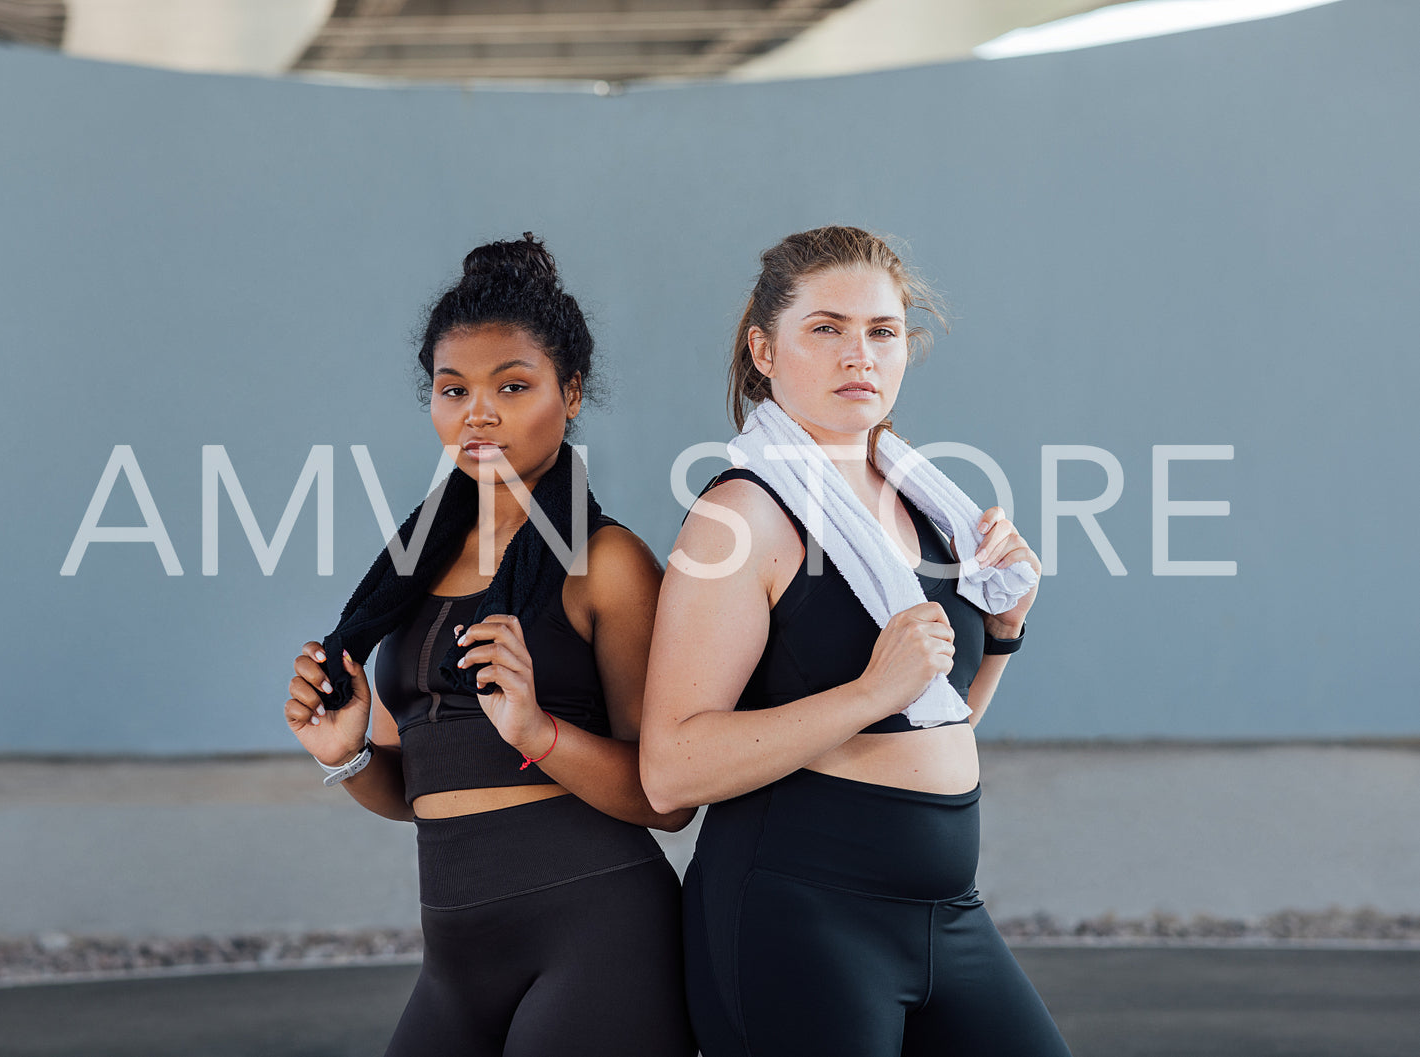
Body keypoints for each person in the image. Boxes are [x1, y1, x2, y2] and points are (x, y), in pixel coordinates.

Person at [640, 226, 1073, 1057]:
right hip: (801, 910)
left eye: (881, 331)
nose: (859, 355)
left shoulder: (925, 503)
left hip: (947, 911)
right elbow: (669, 770)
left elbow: (935, 726)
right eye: (826, 328)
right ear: (763, 350)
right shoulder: (742, 514)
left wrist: (1005, 634)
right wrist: (869, 690)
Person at [283, 233, 698, 1057]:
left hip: (597, 933)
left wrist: (537, 732)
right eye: (452, 388)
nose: (478, 412)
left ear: (569, 391)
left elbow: (669, 798)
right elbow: (417, 792)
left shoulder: (605, 563)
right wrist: (349, 754)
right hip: (454, 957)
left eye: (513, 385)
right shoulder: (407, 569)